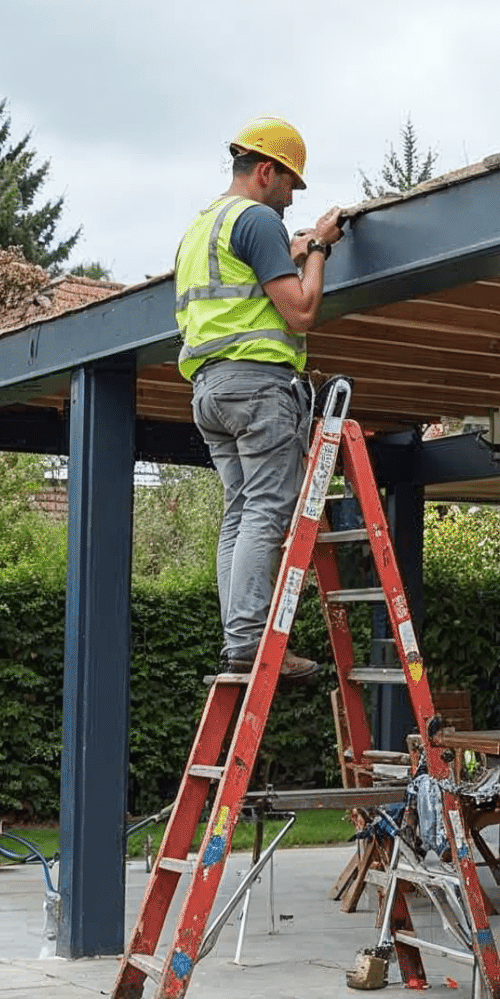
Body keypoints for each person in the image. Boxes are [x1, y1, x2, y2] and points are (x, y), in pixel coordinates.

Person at [175, 116, 344, 681]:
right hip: (256, 387)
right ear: (266, 171)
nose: (291, 200)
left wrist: (289, 252)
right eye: (291, 186)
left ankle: (237, 638)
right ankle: (249, 640)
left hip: (209, 390)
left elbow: (244, 294)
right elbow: (300, 311)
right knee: (268, 510)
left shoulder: (201, 229)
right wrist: (317, 249)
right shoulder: (256, 220)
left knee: (241, 512)